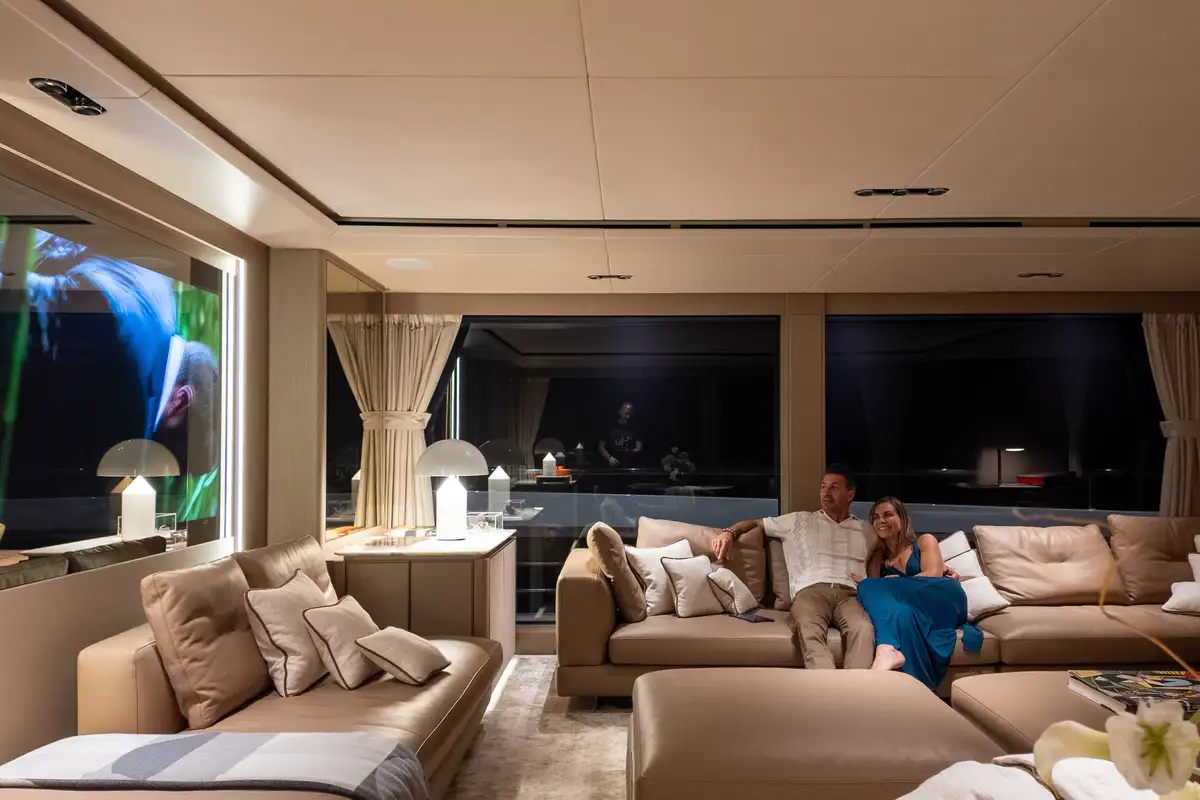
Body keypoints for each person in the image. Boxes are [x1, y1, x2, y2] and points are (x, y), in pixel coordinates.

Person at [712, 465, 876, 670]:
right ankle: (828, 685)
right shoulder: (798, 520)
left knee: (864, 629)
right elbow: (755, 524)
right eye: (823, 487)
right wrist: (729, 533)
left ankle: (857, 686)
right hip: (811, 591)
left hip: (851, 594)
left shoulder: (866, 529)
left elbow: (899, 540)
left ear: (850, 494)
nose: (826, 493)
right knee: (808, 628)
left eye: (834, 487)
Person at [850, 497, 982, 691]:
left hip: (942, 598)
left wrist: (893, 582)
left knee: (868, 586)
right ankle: (893, 658)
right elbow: (879, 600)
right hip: (913, 609)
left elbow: (933, 575)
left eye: (888, 515)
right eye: (876, 517)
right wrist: (881, 584)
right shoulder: (877, 559)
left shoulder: (924, 541)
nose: (881, 520)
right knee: (887, 603)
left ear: (902, 518)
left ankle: (886, 648)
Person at [598, 401, 642, 468]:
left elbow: (638, 447)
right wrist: (609, 457)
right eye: (626, 414)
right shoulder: (610, 427)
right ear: (620, 412)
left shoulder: (635, 428)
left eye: (630, 414)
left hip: (629, 466)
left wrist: (628, 453)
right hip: (613, 465)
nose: (628, 417)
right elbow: (600, 446)